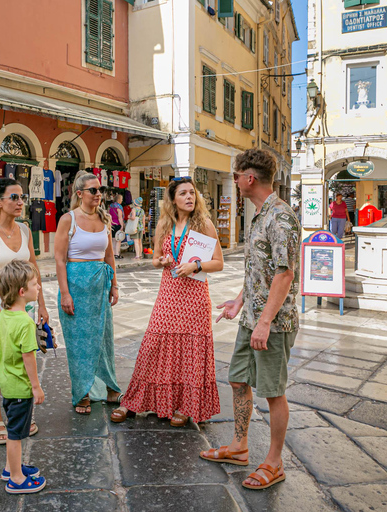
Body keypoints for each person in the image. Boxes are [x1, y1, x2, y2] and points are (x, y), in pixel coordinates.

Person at [201, 148, 300, 490]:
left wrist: (265, 321)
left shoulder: (281, 217)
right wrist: (240, 301)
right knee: (238, 379)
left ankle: (274, 462)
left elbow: (284, 275)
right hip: (252, 318)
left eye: (236, 175)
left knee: (273, 392)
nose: (235, 181)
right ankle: (240, 446)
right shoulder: (259, 214)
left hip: (274, 323)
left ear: (250, 178)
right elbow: (259, 268)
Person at [111, 177, 223, 427]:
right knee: (153, 345)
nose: (189, 197)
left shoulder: (203, 224)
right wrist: (159, 262)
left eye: (192, 193)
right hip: (169, 294)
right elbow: (156, 257)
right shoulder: (164, 223)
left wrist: (195, 265)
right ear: (173, 199)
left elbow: (219, 262)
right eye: (183, 193)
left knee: (189, 352)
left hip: (194, 296)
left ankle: (186, 405)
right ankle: (133, 400)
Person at [0, 177, 50, 445]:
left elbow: (33, 268)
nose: (20, 202)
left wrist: (41, 304)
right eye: (14, 197)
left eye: (22, 198)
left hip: (24, 303)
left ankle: (17, 415)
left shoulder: (26, 231)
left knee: (21, 358)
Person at [55, 171, 122, 415]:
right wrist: (65, 293)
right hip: (76, 287)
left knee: (104, 338)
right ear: (80, 193)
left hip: (100, 288)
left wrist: (114, 285)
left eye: (100, 190)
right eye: (93, 190)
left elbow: (109, 256)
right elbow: (60, 259)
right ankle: (81, 392)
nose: (99, 194)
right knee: (79, 342)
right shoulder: (68, 219)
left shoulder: (104, 219)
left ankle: (110, 388)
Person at [0, 260, 46, 494]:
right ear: (22, 292)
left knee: (13, 428)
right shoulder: (25, 322)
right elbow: (29, 358)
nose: (39, 288)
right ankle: (16, 479)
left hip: (6, 384)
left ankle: (10, 468)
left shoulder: (5, 315)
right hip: (19, 387)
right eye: (35, 284)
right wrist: (36, 387)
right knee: (15, 434)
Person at [109, 193, 125, 259]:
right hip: (118, 224)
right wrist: (122, 225)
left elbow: (108, 215)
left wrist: (111, 222)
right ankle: (117, 254)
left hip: (111, 225)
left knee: (113, 240)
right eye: (121, 199)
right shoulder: (119, 207)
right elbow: (120, 217)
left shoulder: (110, 206)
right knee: (118, 240)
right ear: (119, 199)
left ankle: (112, 254)